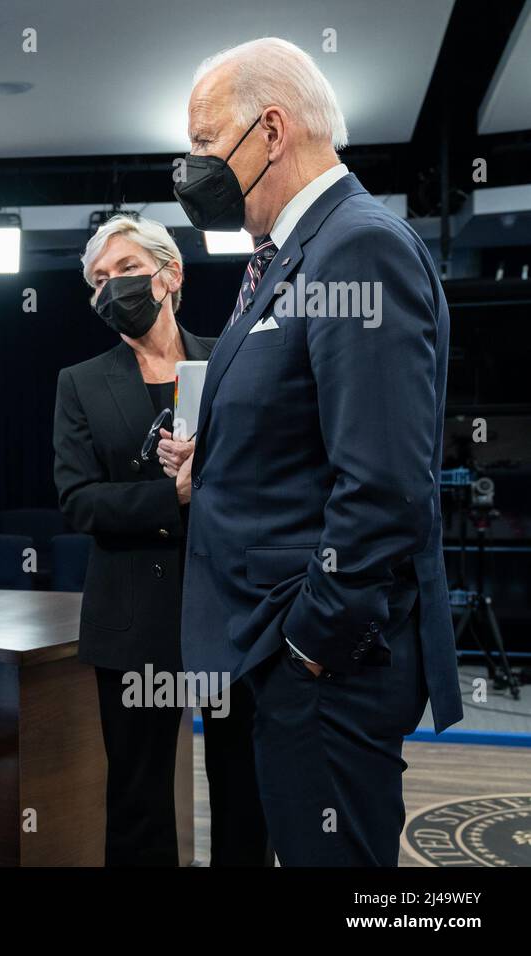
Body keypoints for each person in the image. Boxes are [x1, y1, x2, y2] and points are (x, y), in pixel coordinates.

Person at [174, 37, 461, 866]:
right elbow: (304, 437)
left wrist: (309, 646)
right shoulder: (284, 260)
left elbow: (385, 487)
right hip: (292, 664)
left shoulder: (356, 247)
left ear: (271, 130)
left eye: (202, 141)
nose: (192, 165)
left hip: (330, 669)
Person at [54, 214, 270, 866]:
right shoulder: (80, 383)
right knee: (138, 800)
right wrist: (170, 496)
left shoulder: (232, 358)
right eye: (97, 280)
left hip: (231, 610)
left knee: (244, 793)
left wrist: (216, 471)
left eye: (124, 270)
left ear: (170, 273)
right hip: (133, 620)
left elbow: (269, 477)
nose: (110, 287)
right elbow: (77, 501)